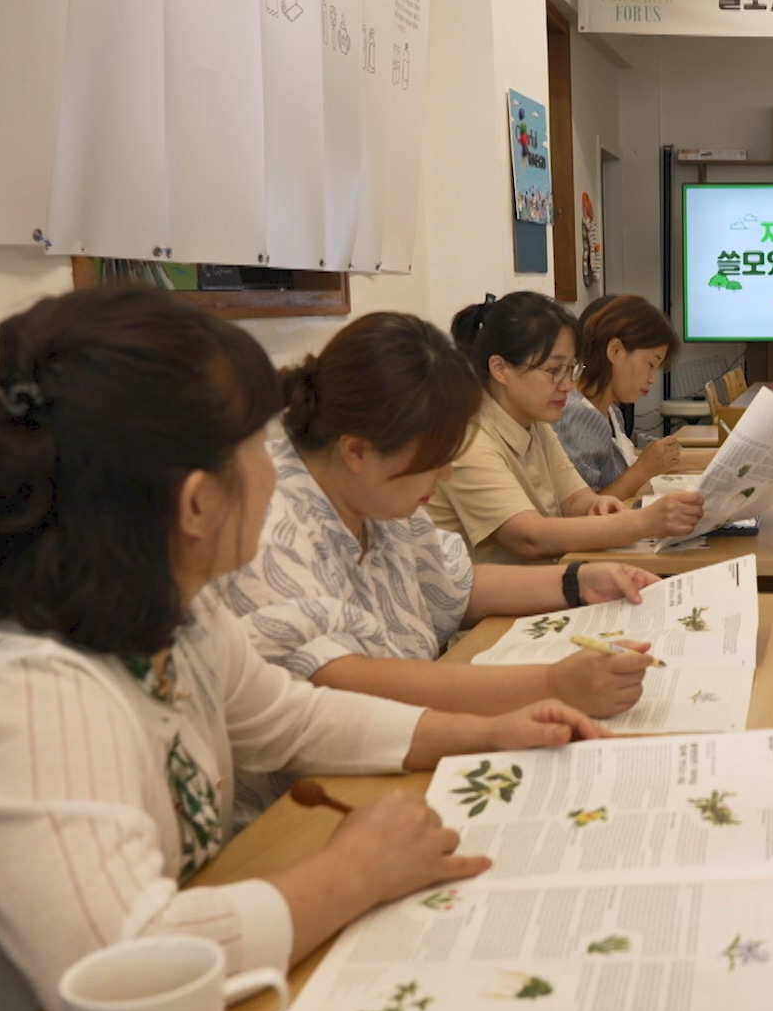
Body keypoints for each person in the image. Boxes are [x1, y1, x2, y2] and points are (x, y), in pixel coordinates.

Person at [0, 288, 611, 1011]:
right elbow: (127, 966)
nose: (276, 475)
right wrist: (354, 872)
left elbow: (294, 718)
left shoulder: (173, 612)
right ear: (198, 503)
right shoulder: (21, 699)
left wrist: (485, 731)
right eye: (257, 450)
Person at [211, 312, 659, 722]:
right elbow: (343, 685)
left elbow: (453, 583)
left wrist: (580, 581)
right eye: (435, 457)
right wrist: (550, 684)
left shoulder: (373, 493)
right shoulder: (268, 528)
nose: (445, 473)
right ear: (357, 450)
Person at [427, 292, 704, 563]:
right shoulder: (469, 439)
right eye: (553, 371)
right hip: (496, 602)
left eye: (570, 369)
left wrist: (598, 507)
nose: (568, 386)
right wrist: (642, 522)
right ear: (500, 369)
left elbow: (575, 501)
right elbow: (529, 537)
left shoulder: (536, 423)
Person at [558, 294, 686, 498]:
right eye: (651, 364)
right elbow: (581, 513)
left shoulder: (612, 412)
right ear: (615, 350)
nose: (653, 379)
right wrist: (642, 470)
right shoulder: (575, 414)